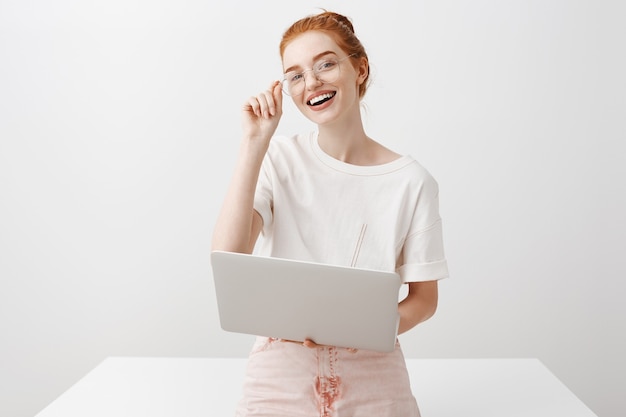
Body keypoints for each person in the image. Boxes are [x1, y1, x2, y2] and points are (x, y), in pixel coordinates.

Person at [212, 10, 449, 417]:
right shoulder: (279, 158)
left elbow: (424, 300)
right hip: (281, 361)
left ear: (359, 69)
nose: (312, 82)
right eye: (296, 75)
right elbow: (228, 256)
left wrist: (365, 329)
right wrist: (254, 143)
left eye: (326, 64)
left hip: (372, 363)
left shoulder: (412, 181)